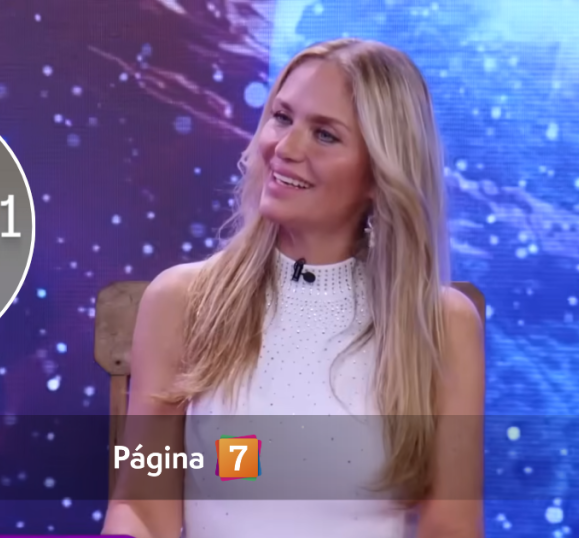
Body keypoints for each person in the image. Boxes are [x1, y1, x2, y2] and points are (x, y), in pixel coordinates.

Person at [101, 37, 485, 538]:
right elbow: (140, 504)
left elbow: (451, 527)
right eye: (282, 118)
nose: (285, 148)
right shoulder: (181, 300)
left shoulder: (443, 326)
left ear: (379, 173)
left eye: (324, 135)